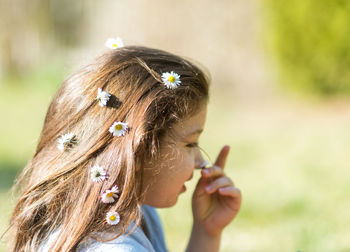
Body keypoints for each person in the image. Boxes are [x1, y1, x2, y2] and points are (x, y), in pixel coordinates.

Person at [5, 45, 242, 251]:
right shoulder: (114, 247)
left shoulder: (136, 214)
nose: (201, 161)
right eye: (190, 143)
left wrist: (207, 231)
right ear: (138, 150)